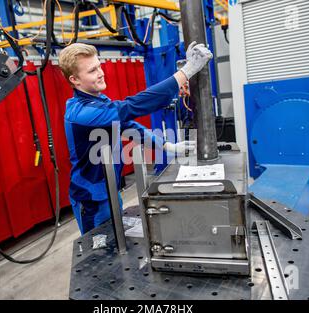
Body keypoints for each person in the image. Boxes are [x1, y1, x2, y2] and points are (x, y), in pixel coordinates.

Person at [59, 41, 213, 234]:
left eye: (99, 66)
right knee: (100, 251)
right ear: (75, 79)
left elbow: (129, 128)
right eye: (92, 71)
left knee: (117, 240)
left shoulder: (98, 101)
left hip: (109, 191)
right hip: (92, 199)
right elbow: (132, 107)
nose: (100, 73)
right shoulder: (81, 113)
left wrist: (167, 147)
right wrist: (186, 72)